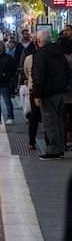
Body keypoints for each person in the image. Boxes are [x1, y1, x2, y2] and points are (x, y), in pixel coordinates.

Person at [32, 29, 70, 160]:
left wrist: (36, 94)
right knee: (58, 122)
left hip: (47, 93)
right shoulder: (59, 53)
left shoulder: (41, 55)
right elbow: (66, 71)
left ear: (40, 41)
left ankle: (53, 150)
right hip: (59, 92)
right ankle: (60, 148)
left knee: (49, 122)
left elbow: (38, 76)